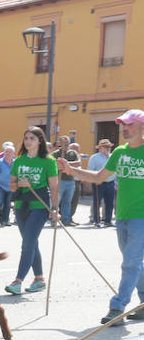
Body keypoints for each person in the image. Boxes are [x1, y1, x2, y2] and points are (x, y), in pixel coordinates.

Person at [59, 109, 144, 325]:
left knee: (130, 263)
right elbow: (98, 178)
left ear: (141, 127)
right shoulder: (119, 153)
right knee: (134, 263)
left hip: (141, 218)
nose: (124, 128)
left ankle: (117, 307)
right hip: (122, 216)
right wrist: (71, 170)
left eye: (129, 124)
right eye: (123, 125)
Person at [4, 127, 60, 295]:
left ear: (40, 141)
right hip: (21, 206)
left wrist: (55, 209)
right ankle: (40, 278)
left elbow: (54, 187)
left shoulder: (48, 161)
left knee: (27, 243)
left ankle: (18, 281)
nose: (28, 141)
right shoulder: (19, 161)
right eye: (26, 138)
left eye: (32, 138)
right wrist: (20, 184)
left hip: (39, 206)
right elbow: (11, 185)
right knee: (32, 242)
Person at [50, 135, 81, 225]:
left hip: (70, 180)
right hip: (60, 181)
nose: (66, 144)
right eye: (64, 142)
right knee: (56, 202)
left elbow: (79, 162)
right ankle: (54, 220)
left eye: (67, 142)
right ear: (60, 143)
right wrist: (66, 165)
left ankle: (66, 220)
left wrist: (65, 164)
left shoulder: (73, 153)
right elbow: (52, 164)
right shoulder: (55, 153)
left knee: (67, 202)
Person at [88, 138, 117, 227]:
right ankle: (97, 221)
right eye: (105, 147)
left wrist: (116, 182)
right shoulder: (94, 157)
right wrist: (94, 180)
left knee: (110, 203)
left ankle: (108, 221)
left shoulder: (112, 156)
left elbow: (116, 170)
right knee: (97, 202)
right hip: (99, 183)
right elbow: (90, 170)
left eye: (109, 147)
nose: (108, 149)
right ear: (100, 148)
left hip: (111, 183)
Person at [0, 142, 15, 227]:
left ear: (13, 153)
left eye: (10, 152)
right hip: (1, 186)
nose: (8, 153)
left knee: (8, 205)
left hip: (11, 186)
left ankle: (5, 221)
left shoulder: (15, 162)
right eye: (6, 151)